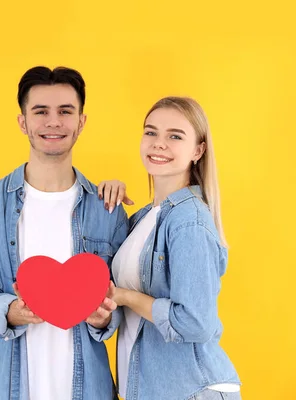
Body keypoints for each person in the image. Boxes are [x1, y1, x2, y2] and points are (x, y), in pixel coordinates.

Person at [0, 66, 128, 400]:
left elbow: (123, 301)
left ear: (81, 122)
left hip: (90, 389)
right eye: (41, 112)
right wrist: (11, 310)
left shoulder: (107, 208)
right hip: (9, 387)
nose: (54, 122)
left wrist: (102, 319)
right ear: (23, 122)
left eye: (65, 111)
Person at [99, 96, 241, 400]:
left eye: (175, 136)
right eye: (151, 132)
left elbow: (196, 322)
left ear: (198, 150)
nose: (158, 143)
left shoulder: (188, 220)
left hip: (190, 390)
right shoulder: (143, 219)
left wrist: (126, 297)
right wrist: (105, 203)